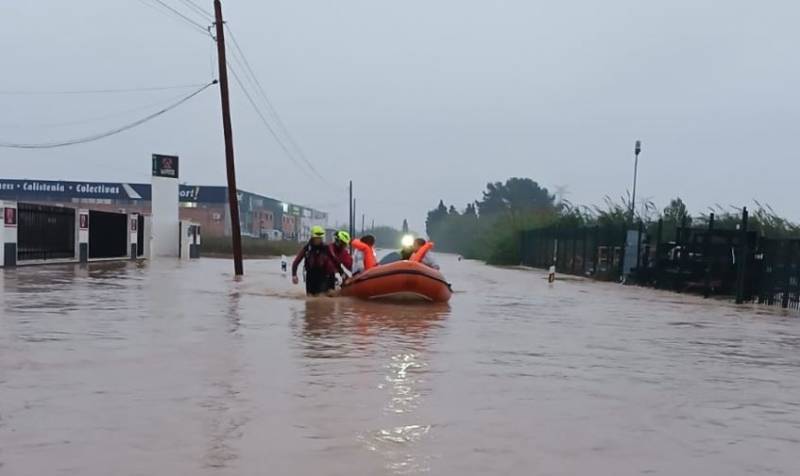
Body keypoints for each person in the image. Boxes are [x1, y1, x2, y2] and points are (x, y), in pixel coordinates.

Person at [292, 225, 340, 296]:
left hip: (323, 275)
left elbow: (335, 261)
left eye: (321, 238)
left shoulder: (326, 248)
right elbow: (296, 261)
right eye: (317, 238)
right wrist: (294, 275)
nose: (319, 240)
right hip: (310, 276)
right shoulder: (307, 248)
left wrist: (342, 274)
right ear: (313, 237)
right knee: (310, 297)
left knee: (321, 297)